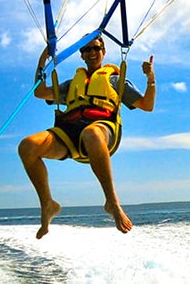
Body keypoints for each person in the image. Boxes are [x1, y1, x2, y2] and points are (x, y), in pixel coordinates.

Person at [18, 36, 155, 239]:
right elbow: (40, 92)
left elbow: (147, 105)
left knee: (91, 132)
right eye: (87, 50)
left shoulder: (115, 80)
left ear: (103, 51)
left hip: (103, 130)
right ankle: (48, 204)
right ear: (81, 55)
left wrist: (150, 78)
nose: (92, 53)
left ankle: (112, 202)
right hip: (69, 134)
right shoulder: (72, 83)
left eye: (96, 48)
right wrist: (42, 61)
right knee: (27, 146)